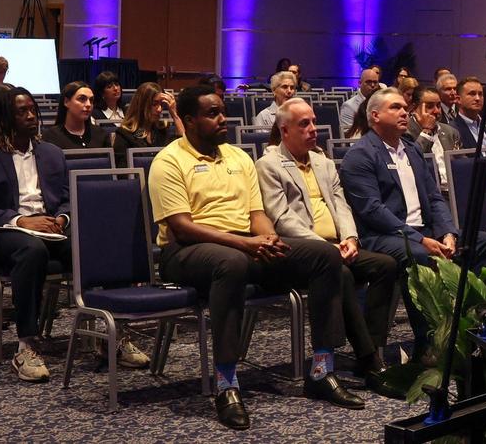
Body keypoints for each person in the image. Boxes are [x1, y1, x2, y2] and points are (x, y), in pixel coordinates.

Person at [149, 86, 365, 430]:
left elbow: (257, 213)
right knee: (231, 264)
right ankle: (227, 384)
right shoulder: (169, 161)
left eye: (222, 111)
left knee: (325, 256)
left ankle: (322, 371)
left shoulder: (239, 157)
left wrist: (269, 238)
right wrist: (247, 245)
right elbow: (182, 227)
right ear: (188, 120)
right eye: (212, 114)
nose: (223, 119)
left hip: (245, 245)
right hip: (186, 252)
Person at [256, 98, 400, 397]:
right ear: (284, 131)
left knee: (386, 264)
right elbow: (280, 218)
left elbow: (340, 204)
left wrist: (349, 239)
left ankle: (370, 349)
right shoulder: (268, 165)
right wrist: (325, 246)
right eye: (303, 124)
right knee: (341, 274)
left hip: (337, 247)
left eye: (313, 122)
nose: (313, 129)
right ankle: (360, 362)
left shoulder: (321, 161)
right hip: (299, 251)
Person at [341, 88, 486, 363]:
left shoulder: (410, 149)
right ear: (375, 116)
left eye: (404, 107)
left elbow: (434, 197)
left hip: (423, 232)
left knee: (482, 242)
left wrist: (448, 232)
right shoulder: (361, 155)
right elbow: (373, 211)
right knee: (420, 256)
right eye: (395, 108)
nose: (404, 112)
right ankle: (429, 342)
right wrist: (420, 239)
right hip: (382, 236)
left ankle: (469, 325)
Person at [0, 88, 73, 382]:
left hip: (50, 229)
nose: (31, 116)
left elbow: (66, 198)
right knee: (31, 250)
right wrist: (21, 220)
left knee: (92, 246)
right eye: (21, 112)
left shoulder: (51, 153)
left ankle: (106, 334)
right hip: (0, 235)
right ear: (3, 118)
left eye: (32, 110)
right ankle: (26, 345)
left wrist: (61, 218)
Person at [104, 82, 184, 167]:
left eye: (161, 104)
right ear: (142, 105)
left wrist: (175, 115)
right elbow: (123, 172)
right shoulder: (126, 134)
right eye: (154, 104)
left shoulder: (161, 130)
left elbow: (183, 149)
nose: (159, 109)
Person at [405, 85, 461, 190]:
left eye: (438, 106)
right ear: (413, 108)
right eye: (430, 106)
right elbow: (412, 162)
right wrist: (427, 131)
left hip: (455, 190)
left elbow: (462, 164)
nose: (436, 111)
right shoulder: (405, 132)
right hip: (426, 192)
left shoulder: (450, 132)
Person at [450, 77, 486, 179]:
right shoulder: (452, 129)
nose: (478, 98)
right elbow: (461, 166)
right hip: (477, 181)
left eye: (480, 94)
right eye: (472, 94)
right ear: (458, 99)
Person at [41, 81, 99, 150]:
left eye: (91, 100)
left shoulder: (101, 134)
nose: (88, 104)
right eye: (82, 99)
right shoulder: (50, 137)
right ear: (66, 102)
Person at [339, 67, 381, 134]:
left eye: (375, 82)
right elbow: (349, 135)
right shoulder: (349, 106)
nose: (372, 85)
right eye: (368, 82)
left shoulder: (381, 103)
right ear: (359, 83)